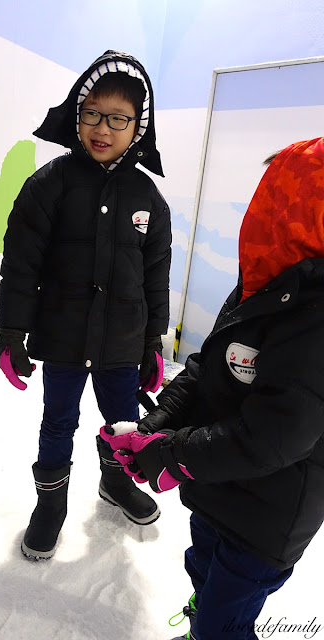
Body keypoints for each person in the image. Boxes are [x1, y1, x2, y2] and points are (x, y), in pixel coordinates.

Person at [101, 138, 324, 639]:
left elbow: (276, 436)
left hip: (267, 519)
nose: (259, 208)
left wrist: (174, 456)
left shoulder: (316, 316)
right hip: (217, 485)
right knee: (203, 576)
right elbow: (209, 367)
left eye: (273, 194)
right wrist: (159, 422)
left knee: (225, 621)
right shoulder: (264, 283)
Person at [0, 50, 172, 560]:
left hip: (121, 342)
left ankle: (115, 484)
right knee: (58, 422)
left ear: (138, 127)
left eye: (119, 118)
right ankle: (50, 506)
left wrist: (152, 341)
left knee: (123, 423)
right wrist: (11, 332)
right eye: (93, 113)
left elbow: (155, 277)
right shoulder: (49, 185)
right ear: (78, 113)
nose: (103, 128)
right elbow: (21, 265)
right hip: (64, 337)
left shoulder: (148, 199)